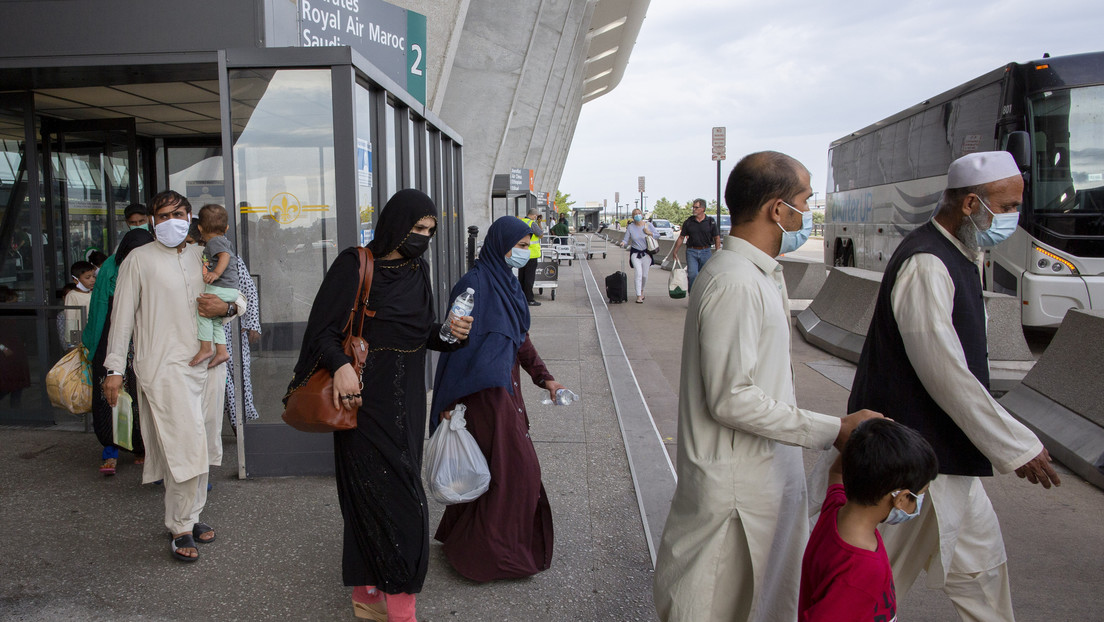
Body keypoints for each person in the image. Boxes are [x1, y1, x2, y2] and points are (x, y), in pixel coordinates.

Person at [652, 151, 882, 622]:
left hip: (757, 481)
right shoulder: (736, 283)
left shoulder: (754, 275)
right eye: (805, 201)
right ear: (778, 209)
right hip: (737, 490)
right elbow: (731, 397)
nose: (808, 213)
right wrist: (832, 428)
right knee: (713, 603)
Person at [848, 151, 1061, 621]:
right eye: (1005, 207)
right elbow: (946, 373)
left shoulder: (961, 255)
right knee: (872, 588)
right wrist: (1017, 445)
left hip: (949, 461)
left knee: (982, 572)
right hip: (906, 464)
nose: (1012, 218)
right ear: (970, 204)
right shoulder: (927, 263)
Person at [288, 189, 472, 622]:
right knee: (371, 497)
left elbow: (420, 335)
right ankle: (392, 604)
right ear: (395, 224)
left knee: (404, 496)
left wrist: (449, 334)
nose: (423, 237)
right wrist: (339, 366)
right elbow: (321, 332)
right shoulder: (355, 265)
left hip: (406, 403)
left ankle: (376, 594)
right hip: (361, 404)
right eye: (417, 229)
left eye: (430, 231)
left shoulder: (417, 269)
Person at [103, 190, 246, 564]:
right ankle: (180, 525)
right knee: (184, 445)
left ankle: (192, 515)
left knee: (203, 444)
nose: (170, 222)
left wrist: (227, 306)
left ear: (191, 217)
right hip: (163, 367)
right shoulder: (138, 260)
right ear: (153, 221)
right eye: (162, 216)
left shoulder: (207, 254)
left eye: (177, 214)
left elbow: (240, 298)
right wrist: (114, 369)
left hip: (209, 366)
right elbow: (120, 319)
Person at [430, 216, 566, 582]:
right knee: (516, 473)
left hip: (505, 392)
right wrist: (447, 400)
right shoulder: (473, 284)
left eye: (528, 246)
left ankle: (470, 547)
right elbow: (452, 344)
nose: (526, 252)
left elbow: (519, 339)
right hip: (479, 396)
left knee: (497, 472)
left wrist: (545, 378)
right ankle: (490, 558)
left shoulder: (508, 283)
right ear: (501, 244)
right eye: (521, 246)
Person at [799, 419, 939, 621]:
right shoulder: (862, 570)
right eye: (919, 495)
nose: (918, 504)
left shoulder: (834, 508)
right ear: (901, 498)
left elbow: (837, 472)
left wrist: (864, 438)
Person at [83, 226, 154, 475]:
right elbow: (99, 309)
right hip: (110, 342)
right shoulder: (110, 270)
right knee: (107, 398)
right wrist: (93, 345)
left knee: (138, 398)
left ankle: (141, 446)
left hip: (143, 342)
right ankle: (110, 450)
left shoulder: (153, 265)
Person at [189, 204, 238, 368]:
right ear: (227, 227)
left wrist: (216, 273)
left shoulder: (214, 242)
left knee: (203, 312)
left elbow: (224, 257)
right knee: (216, 321)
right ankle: (221, 351)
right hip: (229, 289)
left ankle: (205, 348)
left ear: (200, 228)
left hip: (221, 287)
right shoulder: (223, 240)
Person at [223, 253, 261, 431]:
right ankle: (236, 423)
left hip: (233, 330)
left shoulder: (230, 257)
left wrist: (253, 323)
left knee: (239, 377)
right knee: (224, 381)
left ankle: (241, 425)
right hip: (206, 332)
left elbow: (249, 291)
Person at [670, 198, 721, 292]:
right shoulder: (688, 222)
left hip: (706, 251)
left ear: (703, 208)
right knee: (692, 274)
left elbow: (717, 238)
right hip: (691, 251)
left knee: (704, 276)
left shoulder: (710, 222)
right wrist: (675, 251)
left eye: (696, 207)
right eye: (693, 207)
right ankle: (692, 295)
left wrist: (717, 251)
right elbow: (681, 237)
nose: (693, 209)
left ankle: (701, 296)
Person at [0, 286, 31, 408]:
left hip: (17, 351)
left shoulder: (14, 314)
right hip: (5, 354)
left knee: (18, 385)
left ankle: (16, 410)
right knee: (6, 384)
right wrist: (3, 348)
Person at [619, 208, 658, 303]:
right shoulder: (630, 227)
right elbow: (626, 238)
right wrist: (623, 243)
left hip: (646, 253)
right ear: (633, 217)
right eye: (635, 214)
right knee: (638, 273)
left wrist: (649, 233)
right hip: (635, 253)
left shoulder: (648, 225)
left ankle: (642, 290)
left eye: (639, 213)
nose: (637, 215)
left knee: (644, 275)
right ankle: (638, 295)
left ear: (642, 215)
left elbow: (657, 235)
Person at [62, 260, 96, 348]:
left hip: (94, 336)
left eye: (93, 276)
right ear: (76, 280)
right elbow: (71, 320)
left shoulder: (94, 293)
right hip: (81, 340)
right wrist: (72, 343)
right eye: (88, 277)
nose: (92, 280)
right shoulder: (72, 296)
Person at [518, 207, 543, 306]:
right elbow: (541, 235)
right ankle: (529, 299)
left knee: (522, 276)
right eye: (536, 216)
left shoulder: (521, 222)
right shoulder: (532, 223)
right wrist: (539, 223)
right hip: (531, 254)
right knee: (529, 278)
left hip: (521, 253)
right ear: (534, 215)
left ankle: (521, 297)